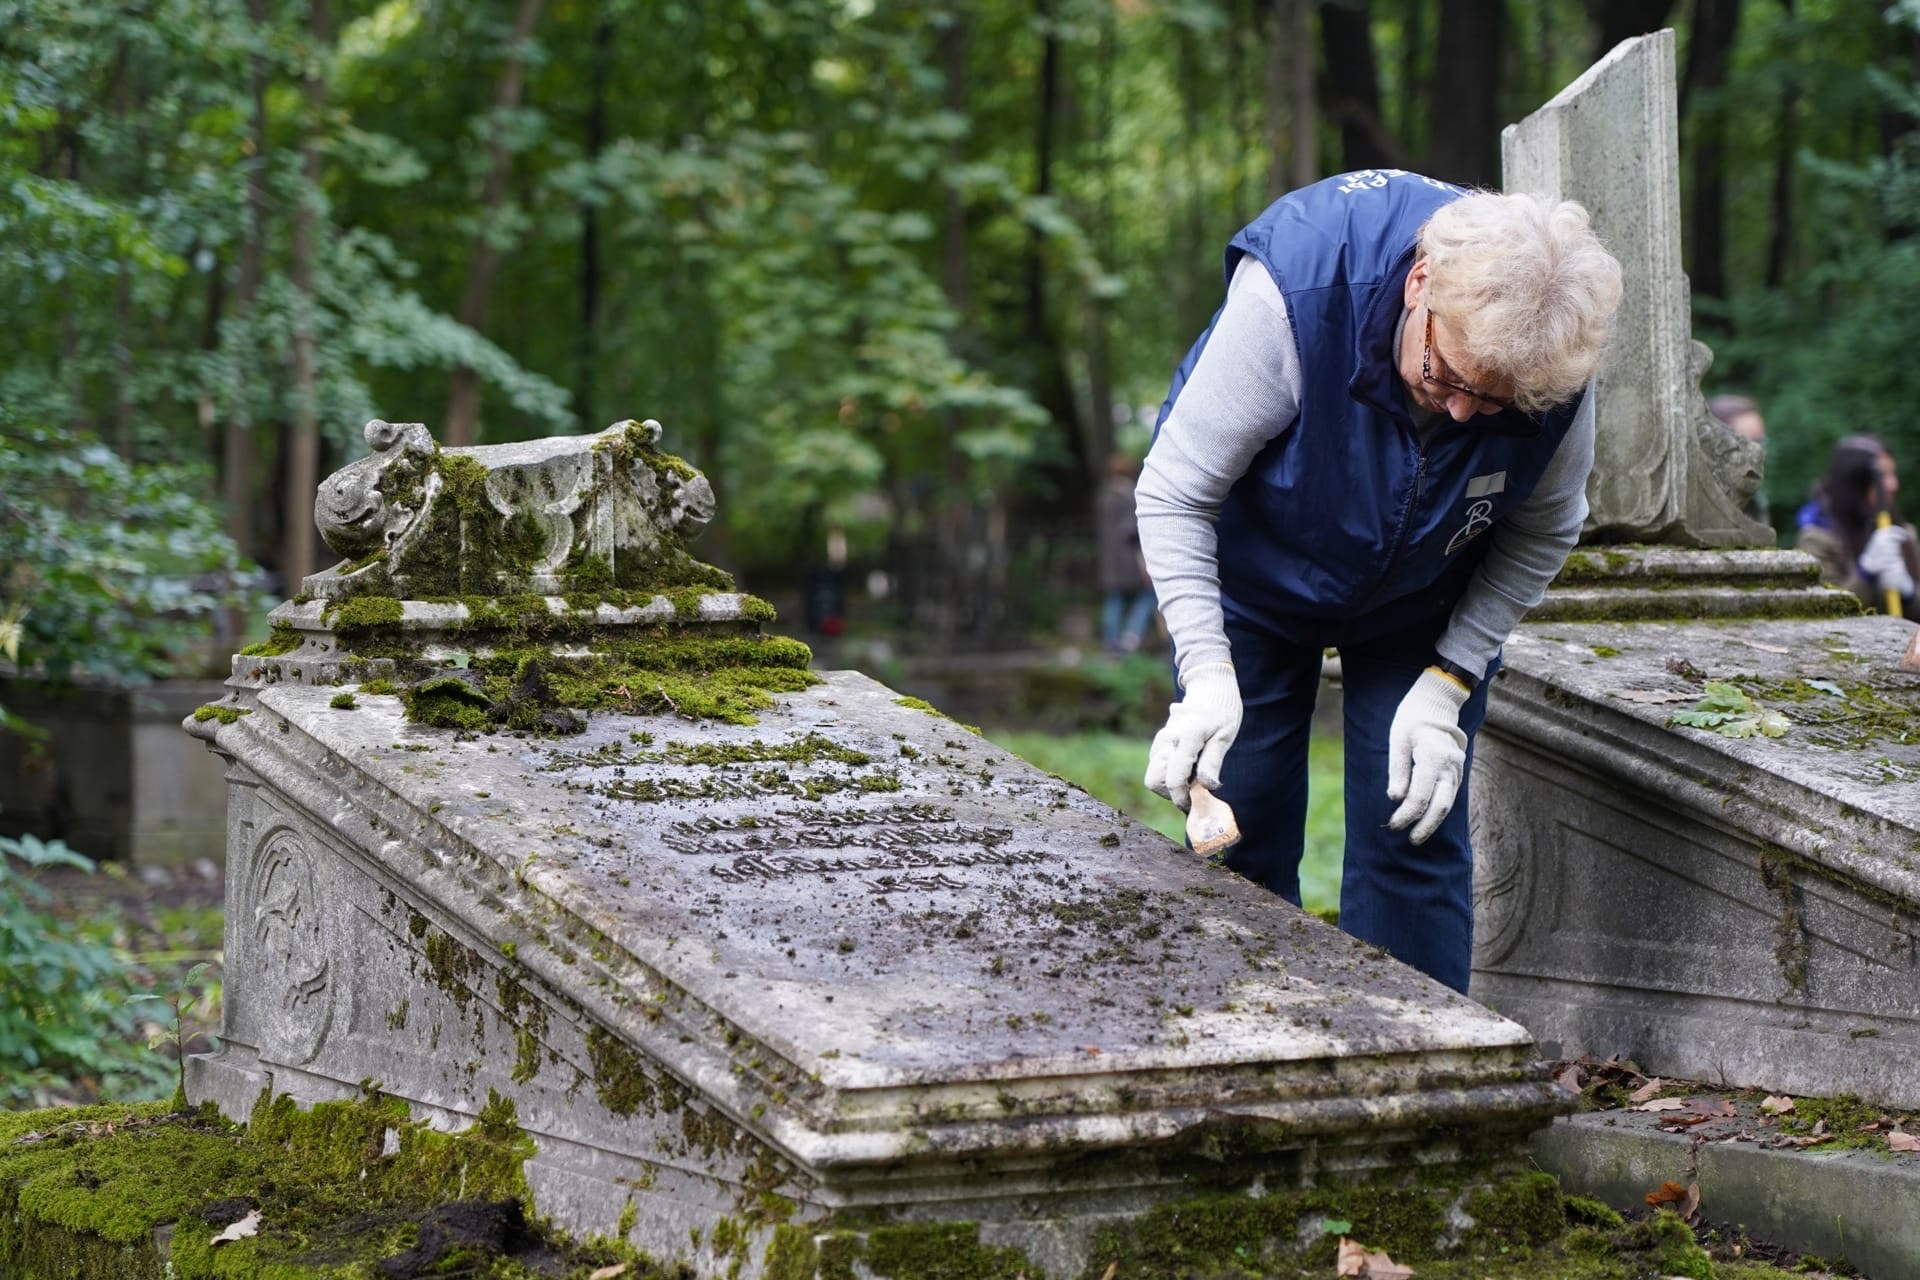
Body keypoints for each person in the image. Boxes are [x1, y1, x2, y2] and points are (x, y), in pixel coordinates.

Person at [1137, 169, 1623, 994]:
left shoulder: (1549, 359)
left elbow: (1545, 528)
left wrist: (1450, 680)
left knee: (1415, 828)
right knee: (1238, 821)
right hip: (1252, 573)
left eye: (1494, 404)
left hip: (1423, 598)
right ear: (1419, 285)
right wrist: (1207, 670)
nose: (1466, 415)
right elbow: (1175, 491)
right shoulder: (1296, 291)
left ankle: (1419, 1070)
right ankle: (1243, 1050)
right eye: (1448, 378)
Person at [1795, 435, 1917, 616]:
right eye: (1882, 476)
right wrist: (1865, 575)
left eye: (1893, 474)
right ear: (1854, 481)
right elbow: (1822, 613)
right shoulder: (1816, 539)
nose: (1893, 485)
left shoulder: (1903, 533)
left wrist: (1909, 593)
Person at [1097, 453, 1157, 653]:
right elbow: (1133, 531)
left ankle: (1111, 644)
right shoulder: (1130, 495)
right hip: (1129, 559)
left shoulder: (1104, 497)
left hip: (1110, 560)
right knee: (1149, 595)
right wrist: (1142, 560)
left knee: (1114, 598)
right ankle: (1131, 637)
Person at [1708, 393, 1769, 524]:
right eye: (1744, 444)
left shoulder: (1755, 503)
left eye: (1760, 442)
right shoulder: (1695, 511)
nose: (1758, 453)